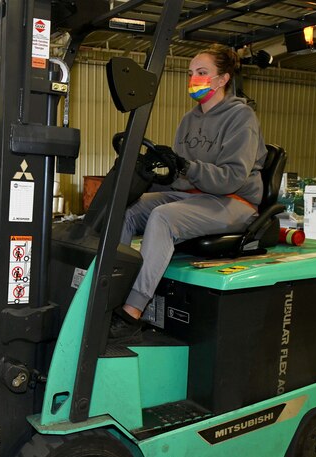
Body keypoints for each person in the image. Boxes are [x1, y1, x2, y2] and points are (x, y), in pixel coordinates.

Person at [110, 44, 267, 339]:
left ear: (222, 79)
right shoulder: (188, 119)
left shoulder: (240, 117)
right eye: (191, 73)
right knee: (127, 207)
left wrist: (186, 168)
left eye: (203, 73)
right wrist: (155, 173)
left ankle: (132, 312)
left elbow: (231, 178)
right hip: (195, 196)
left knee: (163, 218)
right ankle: (110, 294)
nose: (194, 78)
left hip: (233, 200)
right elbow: (180, 175)